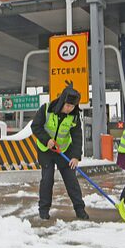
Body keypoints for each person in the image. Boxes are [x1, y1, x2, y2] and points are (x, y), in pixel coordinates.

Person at [31, 85, 88, 220]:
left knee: (71, 180)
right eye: (67, 105)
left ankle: (80, 209)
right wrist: (47, 140)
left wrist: (75, 156)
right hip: (46, 150)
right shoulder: (46, 109)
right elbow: (35, 126)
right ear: (62, 101)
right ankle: (44, 210)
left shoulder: (74, 116)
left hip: (63, 150)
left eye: (72, 106)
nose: (69, 109)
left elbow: (77, 136)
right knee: (47, 180)